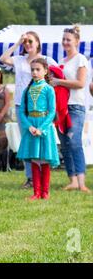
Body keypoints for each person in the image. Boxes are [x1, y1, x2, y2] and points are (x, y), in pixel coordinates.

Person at [0, 31, 57, 189]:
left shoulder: (47, 60)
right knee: (27, 140)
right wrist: (17, 43)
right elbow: (3, 59)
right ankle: (30, 178)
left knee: (41, 140)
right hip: (21, 105)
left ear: (38, 42)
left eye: (30, 41)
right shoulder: (19, 60)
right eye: (25, 42)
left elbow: (57, 74)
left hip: (41, 108)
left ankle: (42, 179)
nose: (28, 44)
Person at [49, 26, 90, 193]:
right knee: (65, 144)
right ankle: (72, 180)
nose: (65, 42)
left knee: (74, 142)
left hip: (76, 107)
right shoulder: (61, 62)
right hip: (61, 108)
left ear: (77, 42)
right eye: (64, 39)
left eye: (68, 39)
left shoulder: (81, 59)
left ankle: (81, 182)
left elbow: (80, 83)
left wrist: (58, 82)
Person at [17, 58, 59, 200]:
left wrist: (41, 128)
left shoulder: (49, 89)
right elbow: (22, 111)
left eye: (38, 69)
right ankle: (36, 192)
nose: (34, 72)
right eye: (32, 70)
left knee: (44, 159)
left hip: (43, 127)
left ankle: (45, 193)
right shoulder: (27, 90)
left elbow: (52, 111)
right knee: (35, 159)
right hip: (31, 126)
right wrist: (29, 126)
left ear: (45, 71)